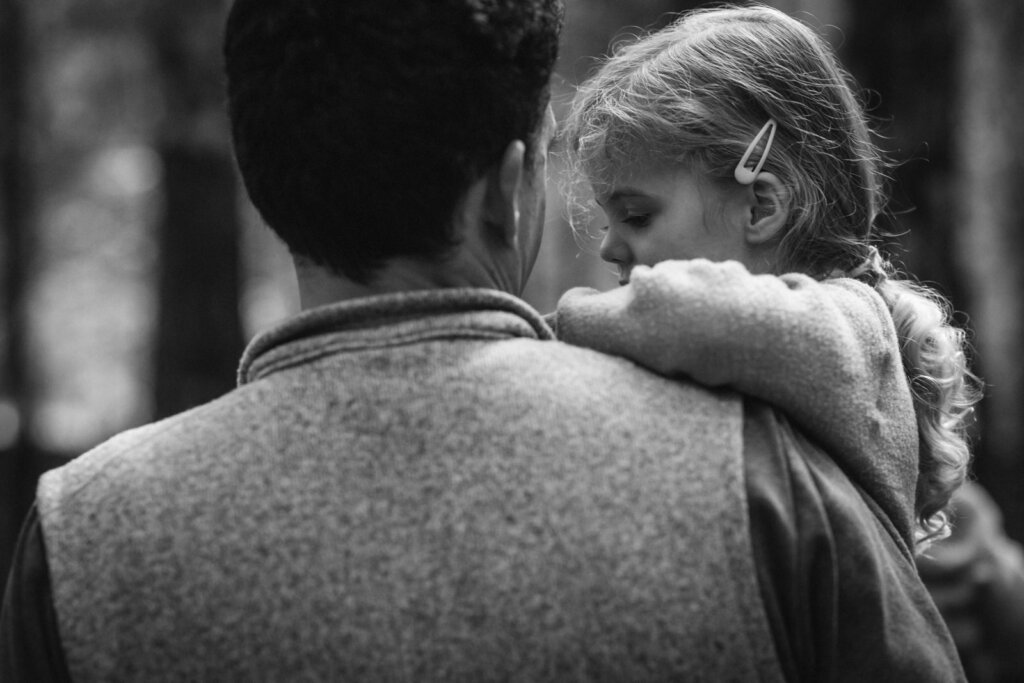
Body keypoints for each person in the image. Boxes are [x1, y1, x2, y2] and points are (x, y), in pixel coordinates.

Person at [1, 1, 964, 681]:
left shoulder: (80, 538)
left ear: (265, 183)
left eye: (634, 214)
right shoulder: (762, 478)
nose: (615, 253)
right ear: (509, 192)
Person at [552, 5, 979, 556]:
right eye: (607, 222)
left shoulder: (850, 323)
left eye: (637, 216)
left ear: (761, 206)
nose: (608, 247)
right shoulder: (786, 348)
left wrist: (547, 329)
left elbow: (686, 312)